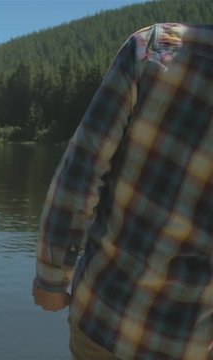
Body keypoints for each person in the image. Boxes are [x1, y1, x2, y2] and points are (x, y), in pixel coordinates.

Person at [32, 23, 212, 360]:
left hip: (105, 322)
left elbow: (81, 175)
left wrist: (51, 279)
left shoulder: (153, 49)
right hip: (191, 343)